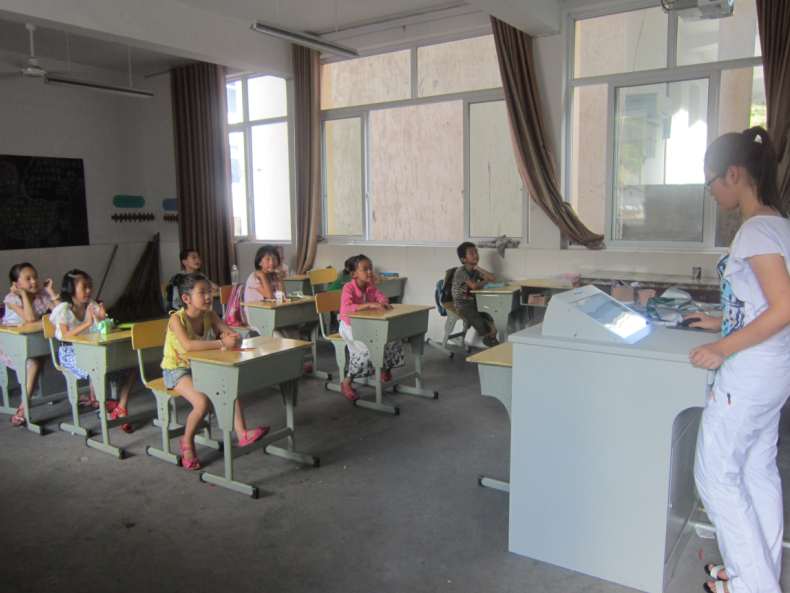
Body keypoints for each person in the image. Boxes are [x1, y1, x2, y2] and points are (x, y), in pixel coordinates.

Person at [685, 127, 790, 593]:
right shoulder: (780, 225)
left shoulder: (756, 230)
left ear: (734, 174)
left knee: (715, 477)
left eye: (710, 181)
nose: (710, 191)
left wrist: (722, 348)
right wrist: (719, 323)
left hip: (748, 375)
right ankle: (754, 573)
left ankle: (754, 587)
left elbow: (784, 307)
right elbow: (759, 303)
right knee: (756, 471)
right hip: (773, 371)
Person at [162, 273, 268, 470]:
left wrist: (234, 338)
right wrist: (222, 343)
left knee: (230, 385)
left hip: (201, 366)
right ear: (186, 298)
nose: (208, 297)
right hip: (177, 370)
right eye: (202, 292)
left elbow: (232, 334)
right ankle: (187, 442)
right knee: (203, 403)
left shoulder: (209, 315)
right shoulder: (177, 319)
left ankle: (242, 433)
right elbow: (188, 346)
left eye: (209, 292)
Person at [50, 269, 138, 432]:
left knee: (129, 368)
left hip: (93, 351)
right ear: (71, 289)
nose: (89, 290)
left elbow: (104, 332)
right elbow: (64, 335)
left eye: (90, 286)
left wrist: (103, 320)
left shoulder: (93, 306)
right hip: (70, 353)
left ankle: (121, 407)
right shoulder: (63, 309)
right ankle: (97, 400)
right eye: (84, 287)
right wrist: (87, 323)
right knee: (95, 367)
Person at [337, 254, 405, 401]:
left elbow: (382, 298)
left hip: (368, 325)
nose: (369, 272)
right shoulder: (348, 287)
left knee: (392, 341)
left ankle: (385, 370)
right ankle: (346, 383)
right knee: (368, 350)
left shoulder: (370, 286)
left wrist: (383, 303)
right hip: (350, 326)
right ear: (354, 274)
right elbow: (346, 309)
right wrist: (367, 305)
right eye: (365, 269)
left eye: (370, 268)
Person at [2, 263, 61, 426]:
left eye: (35, 277)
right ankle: (23, 408)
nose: (34, 281)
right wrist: (23, 294)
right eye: (27, 279)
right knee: (36, 362)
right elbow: (29, 318)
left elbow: (62, 312)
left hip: (32, 343)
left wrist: (50, 291)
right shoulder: (12, 299)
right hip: (9, 346)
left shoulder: (41, 295)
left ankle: (83, 395)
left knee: (52, 354)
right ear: (16, 284)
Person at [243, 245, 312, 373]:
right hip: (257, 317)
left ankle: (297, 361)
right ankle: (289, 365)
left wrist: (279, 278)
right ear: (259, 262)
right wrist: (263, 276)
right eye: (267, 259)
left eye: (275, 259)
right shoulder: (255, 277)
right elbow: (269, 296)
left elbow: (282, 295)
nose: (272, 262)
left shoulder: (273, 276)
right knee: (278, 337)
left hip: (273, 315)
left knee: (292, 334)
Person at [452, 242, 499, 348]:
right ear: (463, 259)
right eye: (471, 253)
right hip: (463, 306)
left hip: (475, 303)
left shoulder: (475, 270)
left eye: (476, 252)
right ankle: (490, 338)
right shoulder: (461, 271)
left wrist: (478, 268)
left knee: (497, 314)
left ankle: (491, 336)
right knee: (483, 327)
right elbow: (473, 286)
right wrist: (485, 281)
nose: (476, 255)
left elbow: (492, 278)